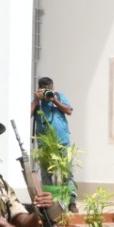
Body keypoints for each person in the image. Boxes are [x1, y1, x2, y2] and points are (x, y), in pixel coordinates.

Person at [31, 76, 76, 206]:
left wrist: (54, 100)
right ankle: (49, 203)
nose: (47, 91)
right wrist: (36, 100)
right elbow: (26, 114)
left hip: (63, 142)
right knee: (46, 174)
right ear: (39, 89)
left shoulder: (59, 96)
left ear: (53, 87)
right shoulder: (36, 100)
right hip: (45, 144)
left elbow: (69, 111)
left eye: (49, 89)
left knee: (67, 172)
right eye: (44, 89)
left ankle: (71, 202)